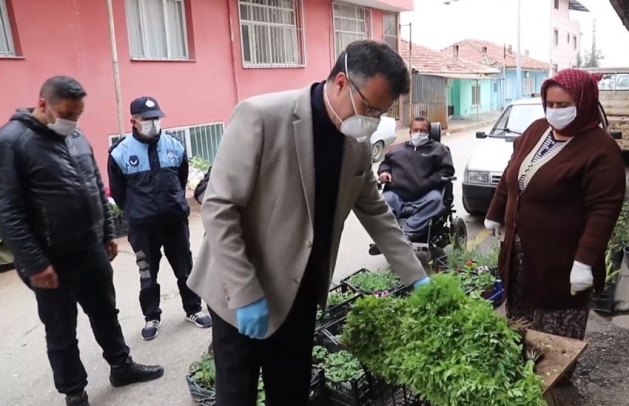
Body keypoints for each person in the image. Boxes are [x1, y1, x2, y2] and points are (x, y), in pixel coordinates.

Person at [187, 40, 431, 406]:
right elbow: (220, 208)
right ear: (341, 83)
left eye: (381, 112)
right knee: (236, 396)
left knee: (291, 393)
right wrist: (246, 293)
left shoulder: (357, 145)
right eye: (369, 107)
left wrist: (416, 274)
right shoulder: (262, 116)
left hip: (301, 292)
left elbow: (376, 211)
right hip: (240, 291)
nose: (372, 120)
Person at [0, 76, 164, 406]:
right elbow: (8, 211)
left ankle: (121, 366)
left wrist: (105, 234)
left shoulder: (75, 135)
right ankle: (74, 393)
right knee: (61, 330)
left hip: (89, 248)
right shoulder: (11, 141)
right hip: (49, 257)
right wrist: (34, 262)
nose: (72, 121)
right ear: (43, 104)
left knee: (105, 312)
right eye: (67, 113)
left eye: (78, 114)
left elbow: (94, 185)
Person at [484, 68, 625, 380]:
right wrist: (496, 212)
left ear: (585, 102)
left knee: (554, 337)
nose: (555, 112)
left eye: (564, 105)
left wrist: (585, 261)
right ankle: (522, 382)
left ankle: (555, 387)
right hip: (522, 257)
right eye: (550, 104)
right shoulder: (536, 131)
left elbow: (604, 209)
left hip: (563, 262)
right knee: (520, 325)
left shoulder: (600, 150)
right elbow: (511, 175)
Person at [108, 96, 211, 341]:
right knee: (147, 273)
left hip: (174, 222)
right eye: (146, 119)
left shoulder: (174, 146)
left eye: (156, 118)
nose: (152, 123)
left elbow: (181, 179)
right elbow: (119, 193)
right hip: (142, 227)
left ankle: (193, 309)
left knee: (185, 268)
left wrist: (172, 204)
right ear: (134, 121)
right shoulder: (120, 153)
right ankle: (151, 316)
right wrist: (138, 211)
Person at [368, 117, 454, 255]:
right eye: (416, 130)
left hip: (425, 194)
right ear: (410, 132)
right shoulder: (398, 150)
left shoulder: (439, 150)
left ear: (429, 133)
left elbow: (447, 170)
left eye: (423, 131)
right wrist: (384, 172)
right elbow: (385, 163)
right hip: (398, 193)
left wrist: (428, 182)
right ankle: (387, 237)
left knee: (436, 200)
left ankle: (406, 235)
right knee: (383, 201)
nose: (418, 133)